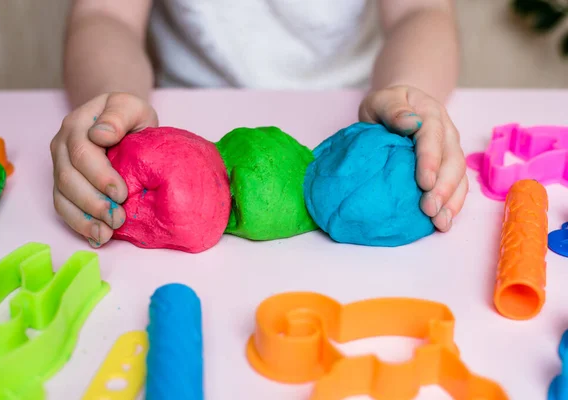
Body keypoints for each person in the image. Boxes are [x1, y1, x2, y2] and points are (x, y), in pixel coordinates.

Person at [50, 0, 468, 248]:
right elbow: (106, 15)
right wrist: (112, 102)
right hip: (181, 109)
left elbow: (421, 10)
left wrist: (409, 92)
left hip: (361, 109)